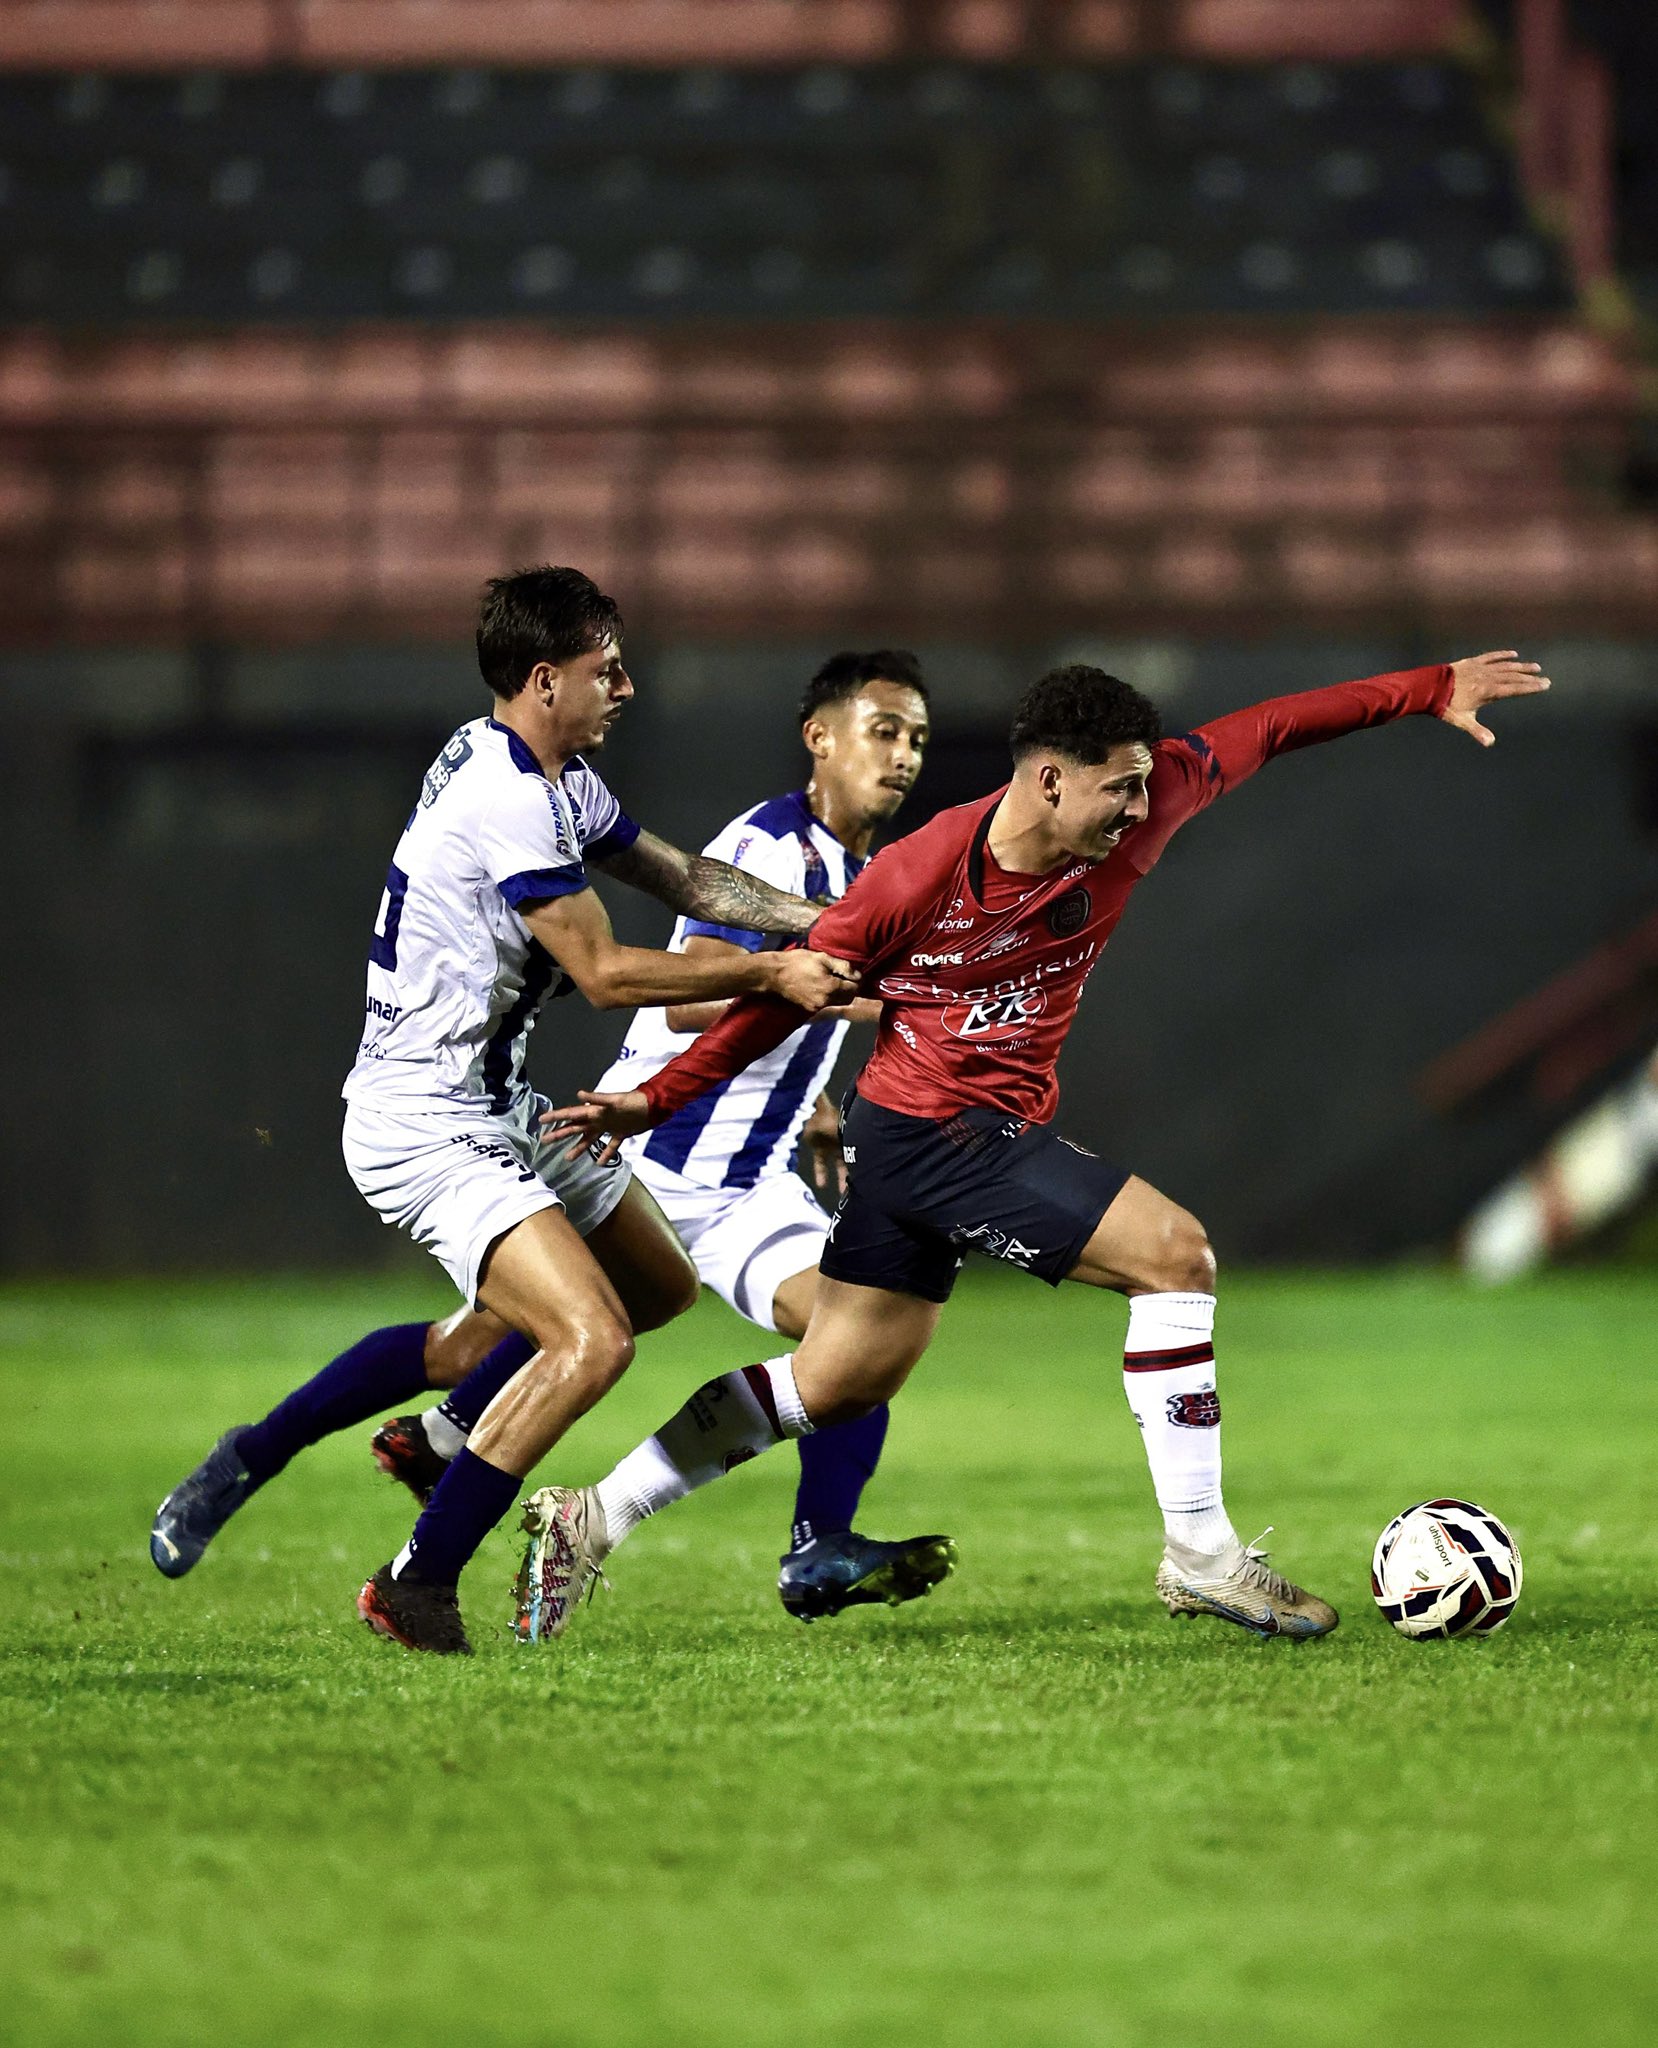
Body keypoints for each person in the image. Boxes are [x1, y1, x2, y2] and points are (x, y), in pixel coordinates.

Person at [525, 650, 1550, 1645]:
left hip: (909, 1134)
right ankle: (1198, 1551)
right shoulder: (913, 872)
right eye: (1118, 790)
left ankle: (595, 1514)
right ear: (1049, 778)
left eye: (1145, 786)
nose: (1139, 808)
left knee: (834, 1379)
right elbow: (785, 997)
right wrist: (653, 1097)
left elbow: (1274, 726)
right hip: (938, 1132)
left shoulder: (1151, 798)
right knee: (1173, 1254)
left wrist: (1428, 688)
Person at [149, 566, 857, 1656]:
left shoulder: (547, 770)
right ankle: (415, 1582)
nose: (625, 686)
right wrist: (769, 976)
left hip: (494, 1099)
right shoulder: (511, 797)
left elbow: (692, 882)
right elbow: (613, 972)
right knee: (589, 1339)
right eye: (603, 670)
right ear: (542, 679)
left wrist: (834, 926)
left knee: (647, 1288)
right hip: (420, 1117)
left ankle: (368, 1439)